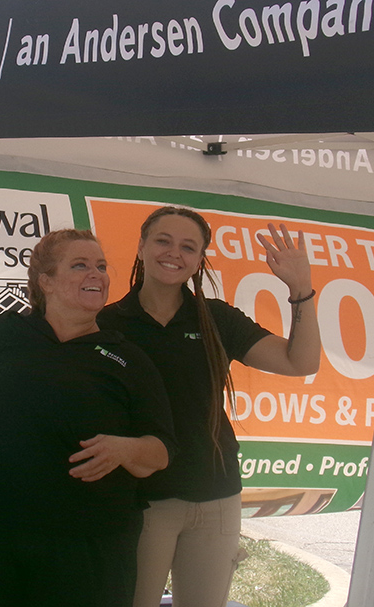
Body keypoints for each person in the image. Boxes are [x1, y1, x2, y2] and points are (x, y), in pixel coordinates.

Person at [0, 229, 176, 607]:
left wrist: (124, 449)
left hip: (89, 549)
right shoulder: (6, 333)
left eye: (101, 267)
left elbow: (160, 452)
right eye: (80, 265)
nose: (97, 275)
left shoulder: (127, 358)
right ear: (46, 282)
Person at [97, 206, 321, 607]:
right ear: (142, 246)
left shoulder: (215, 317)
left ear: (200, 259)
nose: (174, 253)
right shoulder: (107, 323)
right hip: (141, 502)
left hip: (216, 496)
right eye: (163, 241)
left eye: (189, 247)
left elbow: (300, 362)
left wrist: (301, 289)